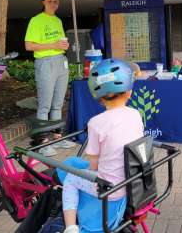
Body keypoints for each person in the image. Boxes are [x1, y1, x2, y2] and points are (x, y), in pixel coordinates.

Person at [62, 58, 144, 233]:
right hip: (133, 180)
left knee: (70, 178)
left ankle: (70, 226)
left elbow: (93, 164)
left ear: (98, 97)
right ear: (129, 92)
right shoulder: (136, 114)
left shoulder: (96, 123)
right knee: (74, 163)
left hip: (109, 188)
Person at [25, 0, 75, 156]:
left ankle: (57, 138)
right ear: (43, 2)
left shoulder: (58, 20)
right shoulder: (36, 20)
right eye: (50, 0)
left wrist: (63, 46)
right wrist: (54, 45)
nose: (53, 3)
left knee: (58, 104)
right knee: (45, 104)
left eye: (56, 1)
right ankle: (43, 142)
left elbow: (59, 42)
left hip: (61, 61)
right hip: (45, 63)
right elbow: (29, 45)